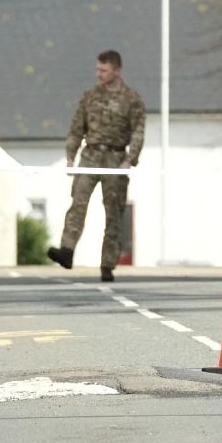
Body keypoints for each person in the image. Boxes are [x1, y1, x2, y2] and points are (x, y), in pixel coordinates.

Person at [47, 50, 145, 282]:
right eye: (97, 69)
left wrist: (130, 159)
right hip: (90, 155)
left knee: (113, 212)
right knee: (78, 202)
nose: (98, 74)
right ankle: (67, 250)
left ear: (117, 71)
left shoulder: (132, 99)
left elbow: (138, 132)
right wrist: (70, 156)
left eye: (103, 70)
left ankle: (108, 264)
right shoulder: (90, 96)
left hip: (115, 158)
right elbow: (76, 128)